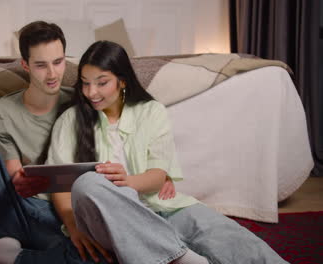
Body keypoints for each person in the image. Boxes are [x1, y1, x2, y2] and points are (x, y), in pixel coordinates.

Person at [43, 40, 290, 264]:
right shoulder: (71, 119)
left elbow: (158, 176)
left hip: (161, 206)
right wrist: (73, 226)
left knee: (230, 236)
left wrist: (126, 181)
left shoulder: (151, 111)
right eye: (85, 83)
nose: (91, 92)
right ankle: (180, 258)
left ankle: (172, 253)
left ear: (123, 80)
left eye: (101, 83)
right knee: (89, 183)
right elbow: (58, 185)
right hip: (109, 219)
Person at [0, 21, 114, 264]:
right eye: (41, 65)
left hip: (65, 217)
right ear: (25, 65)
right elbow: (12, 171)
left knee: (102, 256)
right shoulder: (3, 111)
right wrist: (20, 179)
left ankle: (8, 256)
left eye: (58, 62)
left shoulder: (83, 103)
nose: (52, 74)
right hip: (16, 208)